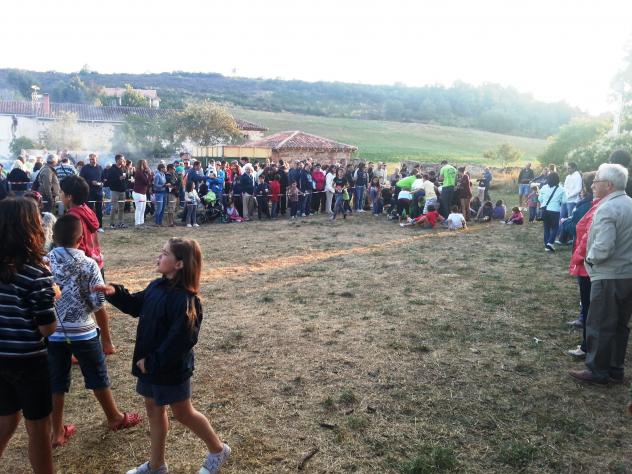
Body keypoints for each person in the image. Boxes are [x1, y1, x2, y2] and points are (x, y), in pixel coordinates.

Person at [93, 238, 231, 474]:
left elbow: (180, 341)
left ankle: (218, 450)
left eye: (165, 253)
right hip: (149, 364)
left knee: (183, 413)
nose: (159, 256)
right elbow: (136, 305)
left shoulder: (186, 301)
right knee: (153, 409)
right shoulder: (156, 286)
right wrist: (115, 293)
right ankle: (157, 465)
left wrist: (153, 361)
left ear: (179, 264)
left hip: (168, 368)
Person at [47, 215, 141, 448]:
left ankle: (56, 431)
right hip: (84, 331)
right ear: (81, 239)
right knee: (97, 375)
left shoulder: (44, 262)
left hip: (53, 331)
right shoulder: (88, 264)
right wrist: (86, 307)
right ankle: (114, 417)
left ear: (53, 237)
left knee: (56, 381)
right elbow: (98, 301)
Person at [0, 197, 57, 474]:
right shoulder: (36, 273)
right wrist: (53, 296)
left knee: (6, 418)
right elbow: (47, 328)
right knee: (39, 428)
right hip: (28, 361)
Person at [569, 163, 632, 385]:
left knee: (599, 323)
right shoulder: (629, 204)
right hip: (627, 275)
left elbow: (603, 247)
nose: (593, 185)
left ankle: (597, 370)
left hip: (608, 275)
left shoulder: (607, 208)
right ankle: (615, 368)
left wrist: (589, 259)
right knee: (620, 325)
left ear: (609, 184)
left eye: (597, 181)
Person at [60, 176, 116, 355]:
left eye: (61, 192)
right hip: (96, 263)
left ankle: (77, 349)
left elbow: (76, 245)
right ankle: (107, 343)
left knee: (76, 306)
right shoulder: (88, 210)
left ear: (69, 196)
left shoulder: (72, 217)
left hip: (81, 265)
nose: (60, 195)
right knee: (98, 305)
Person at [566, 178, 600, 359]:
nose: (593, 186)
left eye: (596, 182)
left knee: (591, 308)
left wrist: (579, 258)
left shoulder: (600, 208)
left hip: (590, 266)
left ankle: (589, 347)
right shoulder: (596, 205)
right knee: (590, 307)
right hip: (591, 265)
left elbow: (588, 238)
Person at [538, 172, 566, 252]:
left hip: (545, 209)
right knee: (555, 227)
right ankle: (550, 243)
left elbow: (540, 199)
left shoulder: (544, 187)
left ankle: (547, 244)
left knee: (546, 227)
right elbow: (564, 201)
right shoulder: (561, 189)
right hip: (555, 210)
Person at [107, 154, 128, 229]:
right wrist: (119, 178)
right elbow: (109, 180)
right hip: (115, 191)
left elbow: (127, 178)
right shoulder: (112, 169)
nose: (123, 161)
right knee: (114, 208)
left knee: (121, 208)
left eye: (123, 159)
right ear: (117, 160)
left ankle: (120, 223)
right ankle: (112, 224)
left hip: (122, 191)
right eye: (122, 159)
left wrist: (126, 170)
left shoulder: (123, 168)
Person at [133, 160, 151, 228]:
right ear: (142, 164)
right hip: (138, 193)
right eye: (145, 163)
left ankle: (141, 223)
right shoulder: (139, 173)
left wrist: (149, 174)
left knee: (143, 209)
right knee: (139, 209)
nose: (147, 165)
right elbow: (146, 182)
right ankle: (137, 224)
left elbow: (148, 182)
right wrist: (150, 174)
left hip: (143, 192)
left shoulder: (143, 172)